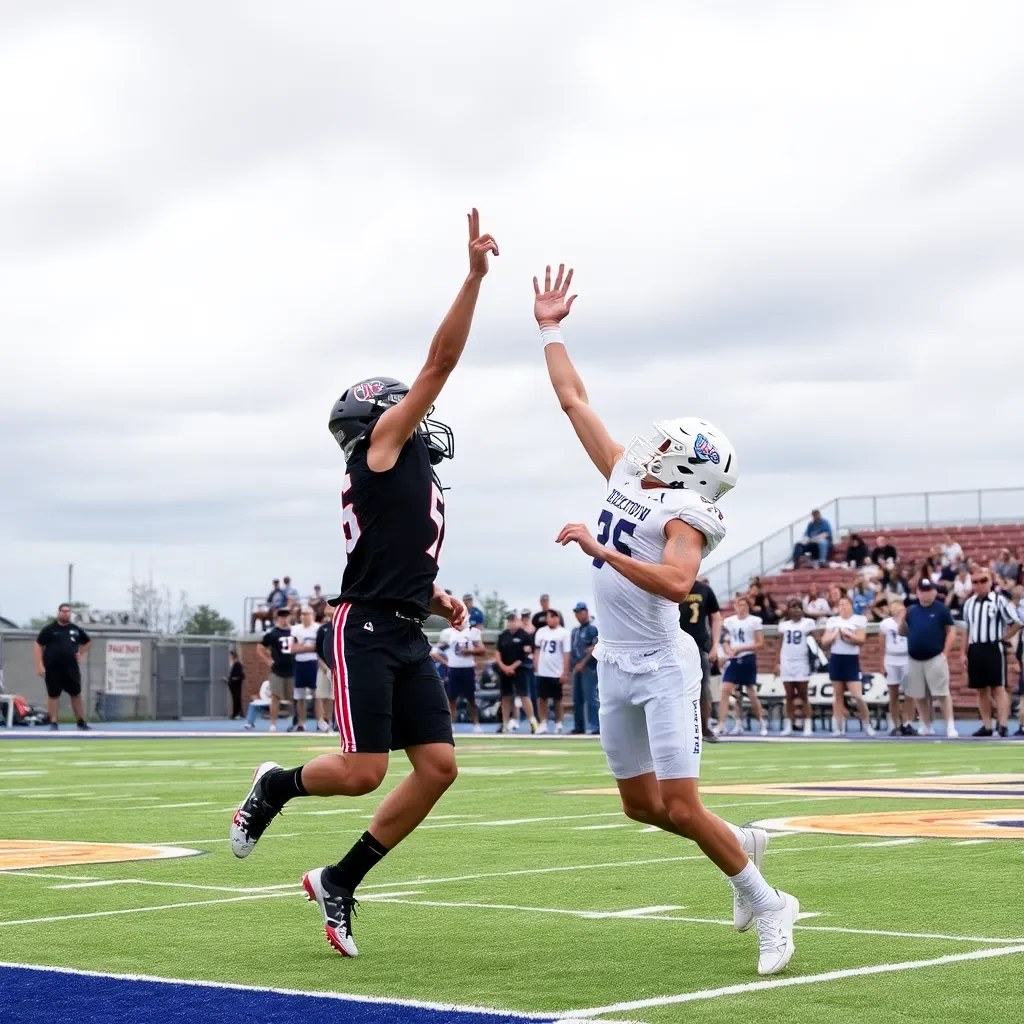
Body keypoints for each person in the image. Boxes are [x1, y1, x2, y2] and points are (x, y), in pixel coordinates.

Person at [229, 209, 497, 958]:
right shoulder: (382, 446)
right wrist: (473, 279)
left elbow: (400, 541)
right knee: (361, 772)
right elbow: (440, 364)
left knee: (437, 768)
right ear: (382, 413)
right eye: (408, 402)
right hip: (364, 627)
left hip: (402, 623)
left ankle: (340, 880)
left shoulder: (405, 469)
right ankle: (275, 786)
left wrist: (434, 593)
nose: (424, 409)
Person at [537, 262, 797, 976]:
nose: (652, 448)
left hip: (660, 666)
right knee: (641, 808)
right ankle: (737, 845)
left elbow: (678, 580)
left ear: (689, 471)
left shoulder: (691, 514)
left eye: (670, 448)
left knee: (681, 806)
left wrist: (597, 548)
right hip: (616, 664)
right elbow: (573, 399)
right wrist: (550, 328)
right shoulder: (628, 472)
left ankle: (770, 902)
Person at [959, 571, 1021, 737]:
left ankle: (1003, 725)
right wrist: (963, 652)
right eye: (975, 582)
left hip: (993, 647)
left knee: (998, 688)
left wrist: (1002, 638)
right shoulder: (969, 603)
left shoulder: (999, 600)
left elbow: (1016, 623)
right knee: (980, 689)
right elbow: (966, 629)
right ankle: (987, 725)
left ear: (990, 581)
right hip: (975, 648)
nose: (979, 584)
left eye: (983, 580)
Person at [900, 579, 958, 737]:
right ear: (918, 592)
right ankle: (926, 724)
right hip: (914, 658)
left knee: (942, 693)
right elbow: (903, 632)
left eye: (928, 590)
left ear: (933, 592)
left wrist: (945, 653)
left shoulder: (940, 610)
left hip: (934, 656)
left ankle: (950, 725)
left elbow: (951, 631)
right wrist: (902, 618)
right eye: (922, 591)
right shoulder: (912, 610)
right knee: (919, 694)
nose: (925, 594)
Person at [821, 596, 874, 736]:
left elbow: (861, 640)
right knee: (837, 694)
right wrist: (833, 636)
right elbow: (824, 641)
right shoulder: (833, 621)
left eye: (845, 604)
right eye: (840, 605)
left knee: (857, 695)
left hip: (851, 659)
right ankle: (838, 725)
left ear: (851, 606)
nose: (842, 607)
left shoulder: (858, 620)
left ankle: (867, 723)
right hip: (836, 658)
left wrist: (849, 635)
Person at [34, 603, 91, 731]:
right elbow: (38, 645)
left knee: (76, 693)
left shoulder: (75, 629)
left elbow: (87, 641)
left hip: (71, 667)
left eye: (68, 611)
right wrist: (39, 665)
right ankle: (53, 721)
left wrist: (80, 652)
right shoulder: (50, 629)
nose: (66, 614)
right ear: (59, 613)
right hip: (53, 667)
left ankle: (80, 721)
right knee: (53, 694)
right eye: (63, 611)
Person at [679, 578, 723, 742]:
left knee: (702, 689)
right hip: (674, 644)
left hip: (698, 645)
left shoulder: (704, 590)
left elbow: (716, 617)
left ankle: (704, 727)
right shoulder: (673, 583)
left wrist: (715, 646)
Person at [719, 596, 767, 737]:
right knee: (727, 690)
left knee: (750, 691)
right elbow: (726, 641)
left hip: (747, 658)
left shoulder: (754, 621)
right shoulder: (730, 621)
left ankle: (761, 722)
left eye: (743, 605)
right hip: (734, 659)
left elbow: (760, 643)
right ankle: (723, 724)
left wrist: (742, 649)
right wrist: (728, 650)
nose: (741, 607)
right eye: (738, 605)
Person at [776, 599, 816, 736]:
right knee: (789, 696)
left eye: (798, 607)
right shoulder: (783, 625)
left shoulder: (808, 623)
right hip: (787, 662)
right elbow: (779, 644)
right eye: (793, 607)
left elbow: (814, 643)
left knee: (803, 695)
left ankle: (808, 724)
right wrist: (777, 663)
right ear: (788, 610)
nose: (796, 610)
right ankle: (788, 724)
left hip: (801, 662)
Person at [494, 612, 538, 733]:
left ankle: (532, 722)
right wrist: (504, 667)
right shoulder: (503, 635)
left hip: (520, 669)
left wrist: (512, 667)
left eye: (513, 620)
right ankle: (505, 724)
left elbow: (525, 654)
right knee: (506, 696)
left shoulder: (524, 635)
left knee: (524, 695)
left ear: (518, 620)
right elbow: (498, 652)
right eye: (509, 620)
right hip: (504, 669)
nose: (511, 622)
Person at [438, 620, 485, 732]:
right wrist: (445, 662)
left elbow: (482, 649)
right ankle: (451, 725)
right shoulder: (448, 633)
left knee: (471, 698)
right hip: (453, 669)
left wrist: (469, 650)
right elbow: (437, 650)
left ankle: (476, 725)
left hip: (468, 668)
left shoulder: (472, 632)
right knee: (452, 698)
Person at [258, 607, 296, 733]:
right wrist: (268, 660)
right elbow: (260, 648)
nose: (284, 618)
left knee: (294, 697)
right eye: (281, 616)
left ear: (290, 617)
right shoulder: (273, 633)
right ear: (277, 618)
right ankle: (273, 724)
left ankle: (295, 722)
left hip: (293, 669)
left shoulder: (295, 631)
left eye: (286, 616)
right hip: (277, 670)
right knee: (275, 697)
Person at [879, 599, 914, 735]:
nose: (895, 609)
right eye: (893, 607)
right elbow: (881, 645)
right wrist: (881, 663)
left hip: (906, 658)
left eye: (898, 606)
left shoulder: (909, 621)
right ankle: (894, 724)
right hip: (891, 659)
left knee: (909, 693)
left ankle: (908, 723)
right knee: (893, 693)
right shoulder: (885, 624)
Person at [533, 607, 571, 733]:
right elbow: (537, 650)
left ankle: (559, 722)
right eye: (550, 616)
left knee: (557, 699)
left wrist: (565, 672)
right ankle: (543, 722)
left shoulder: (564, 633)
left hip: (556, 670)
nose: (552, 619)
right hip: (543, 670)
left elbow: (566, 653)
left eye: (554, 616)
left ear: (558, 618)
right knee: (541, 698)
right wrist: (536, 665)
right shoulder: (541, 632)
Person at [570, 602, 600, 735]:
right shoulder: (575, 631)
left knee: (591, 697)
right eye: (576, 612)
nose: (578, 614)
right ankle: (579, 726)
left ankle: (595, 726)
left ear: (586, 612)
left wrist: (583, 663)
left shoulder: (592, 629)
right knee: (577, 698)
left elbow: (594, 648)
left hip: (589, 667)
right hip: (577, 667)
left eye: (581, 611)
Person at [289, 606, 320, 732]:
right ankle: (301, 723)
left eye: (307, 613)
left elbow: (318, 647)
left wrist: (301, 647)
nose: (304, 616)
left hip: (313, 662)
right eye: (302, 613)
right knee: (300, 695)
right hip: (299, 663)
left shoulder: (317, 628)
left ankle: (320, 722)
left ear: (312, 614)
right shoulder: (295, 629)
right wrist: (308, 647)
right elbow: (291, 649)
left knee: (316, 694)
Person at [314, 609, 336, 732]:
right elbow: (318, 650)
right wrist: (323, 666)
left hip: (337, 667)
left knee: (333, 697)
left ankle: (331, 721)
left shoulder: (344, 627)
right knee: (321, 695)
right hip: (324, 666)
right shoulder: (323, 629)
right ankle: (321, 722)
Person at [227, 650, 245, 720]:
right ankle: (235, 713)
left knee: (237, 699)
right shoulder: (232, 664)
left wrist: (234, 678)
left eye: (231, 656)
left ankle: (237, 713)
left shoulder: (237, 664)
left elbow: (241, 676)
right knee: (235, 699)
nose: (230, 657)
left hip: (236, 685)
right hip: (232, 685)